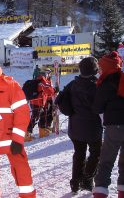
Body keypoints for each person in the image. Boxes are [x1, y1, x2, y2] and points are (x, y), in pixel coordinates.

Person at [0, 55, 36, 197]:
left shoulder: (11, 84)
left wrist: (17, 139)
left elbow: (22, 112)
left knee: (21, 170)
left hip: (10, 138)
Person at [56, 57, 103, 194]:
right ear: (95, 70)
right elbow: (99, 107)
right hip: (92, 127)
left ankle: (75, 183)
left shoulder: (73, 84)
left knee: (79, 154)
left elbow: (62, 100)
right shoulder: (96, 85)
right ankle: (87, 178)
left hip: (75, 127)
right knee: (96, 153)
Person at [92, 51, 124, 198]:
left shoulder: (105, 83)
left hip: (114, 126)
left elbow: (97, 108)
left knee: (106, 160)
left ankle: (100, 191)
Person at [26, 67, 55, 140]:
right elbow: (49, 90)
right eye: (49, 73)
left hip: (40, 101)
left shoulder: (41, 79)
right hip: (37, 102)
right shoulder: (42, 80)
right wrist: (55, 90)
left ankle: (42, 132)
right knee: (35, 118)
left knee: (42, 116)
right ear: (46, 73)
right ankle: (26, 134)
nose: (49, 75)